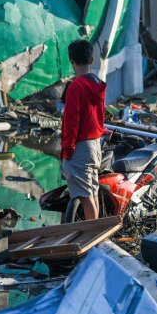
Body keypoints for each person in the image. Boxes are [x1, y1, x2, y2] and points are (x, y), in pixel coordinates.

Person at [60, 39, 107, 221]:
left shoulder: (76, 86)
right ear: (91, 59)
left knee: (86, 198)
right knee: (92, 193)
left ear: (71, 59)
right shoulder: (98, 84)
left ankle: (93, 240)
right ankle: (96, 237)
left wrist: (67, 150)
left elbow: (72, 122)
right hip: (95, 145)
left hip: (80, 147)